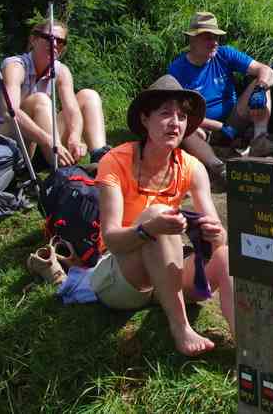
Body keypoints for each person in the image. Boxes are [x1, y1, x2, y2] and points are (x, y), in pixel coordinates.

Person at [91, 75, 234, 356]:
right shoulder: (115, 161)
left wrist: (215, 233)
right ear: (145, 119)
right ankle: (180, 327)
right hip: (122, 276)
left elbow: (219, 238)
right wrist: (148, 228)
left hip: (166, 272)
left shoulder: (192, 167)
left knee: (226, 255)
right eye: (165, 114)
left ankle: (248, 348)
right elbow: (111, 240)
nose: (175, 123)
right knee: (157, 216)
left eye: (181, 116)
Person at [168, 11, 273, 181]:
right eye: (207, 37)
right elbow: (179, 113)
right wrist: (219, 127)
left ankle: (260, 140)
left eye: (216, 37)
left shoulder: (225, 54)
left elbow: (266, 70)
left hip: (234, 118)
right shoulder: (178, 69)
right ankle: (218, 167)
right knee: (186, 129)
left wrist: (261, 88)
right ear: (192, 40)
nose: (214, 42)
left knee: (260, 83)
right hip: (202, 126)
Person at [0, 19, 109, 167]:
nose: (54, 44)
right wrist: (49, 141)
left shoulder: (61, 71)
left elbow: (72, 111)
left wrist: (74, 137)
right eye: (48, 38)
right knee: (41, 100)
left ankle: (101, 160)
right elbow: (10, 112)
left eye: (60, 42)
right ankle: (63, 173)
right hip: (0, 144)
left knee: (88, 96)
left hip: (42, 144)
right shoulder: (15, 67)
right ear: (33, 39)